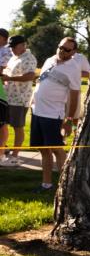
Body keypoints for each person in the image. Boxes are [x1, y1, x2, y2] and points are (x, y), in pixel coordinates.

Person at [30, 37, 82, 192]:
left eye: (66, 49)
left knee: (57, 149)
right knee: (43, 150)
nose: (62, 51)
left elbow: (74, 95)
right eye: (60, 47)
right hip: (37, 112)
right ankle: (46, 184)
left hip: (53, 115)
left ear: (73, 52)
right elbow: (41, 82)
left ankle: (65, 187)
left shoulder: (73, 67)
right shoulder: (50, 60)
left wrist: (69, 119)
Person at [0, 35, 35, 167]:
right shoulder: (14, 57)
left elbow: (30, 76)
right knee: (4, 126)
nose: (12, 50)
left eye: (14, 47)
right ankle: (2, 155)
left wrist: (10, 78)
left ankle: (15, 156)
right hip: (8, 98)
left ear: (22, 45)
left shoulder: (29, 58)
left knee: (18, 127)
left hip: (19, 99)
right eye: (11, 47)